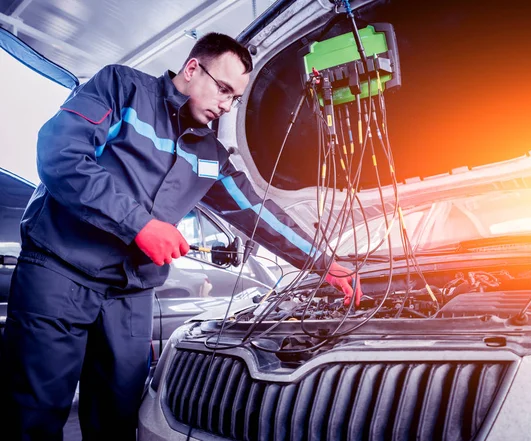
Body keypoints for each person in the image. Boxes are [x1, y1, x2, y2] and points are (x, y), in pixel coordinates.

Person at [1, 32, 362, 440]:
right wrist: (139, 224)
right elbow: (60, 153)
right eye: (223, 89)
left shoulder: (211, 156)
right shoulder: (121, 88)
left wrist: (323, 262)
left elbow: (258, 212)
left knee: (118, 417)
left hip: (129, 293)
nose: (226, 105)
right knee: (33, 412)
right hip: (60, 272)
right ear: (192, 69)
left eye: (235, 98)